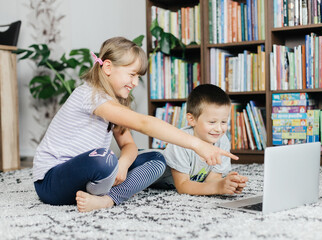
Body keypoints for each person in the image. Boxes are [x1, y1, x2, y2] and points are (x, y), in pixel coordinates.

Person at [32, 37, 238, 212]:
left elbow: (129, 145)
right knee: (104, 159)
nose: (135, 82)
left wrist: (123, 165)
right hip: (52, 183)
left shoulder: (114, 103)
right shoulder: (89, 95)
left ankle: (107, 199)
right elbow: (143, 123)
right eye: (132, 74)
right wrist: (197, 144)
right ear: (109, 68)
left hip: (91, 179)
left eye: (138, 77)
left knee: (157, 159)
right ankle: (103, 183)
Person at [151, 84, 248, 195]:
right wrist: (217, 188)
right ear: (192, 119)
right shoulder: (180, 143)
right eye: (212, 122)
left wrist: (226, 184)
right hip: (147, 162)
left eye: (224, 122)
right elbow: (182, 186)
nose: (219, 129)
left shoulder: (222, 141)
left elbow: (211, 181)